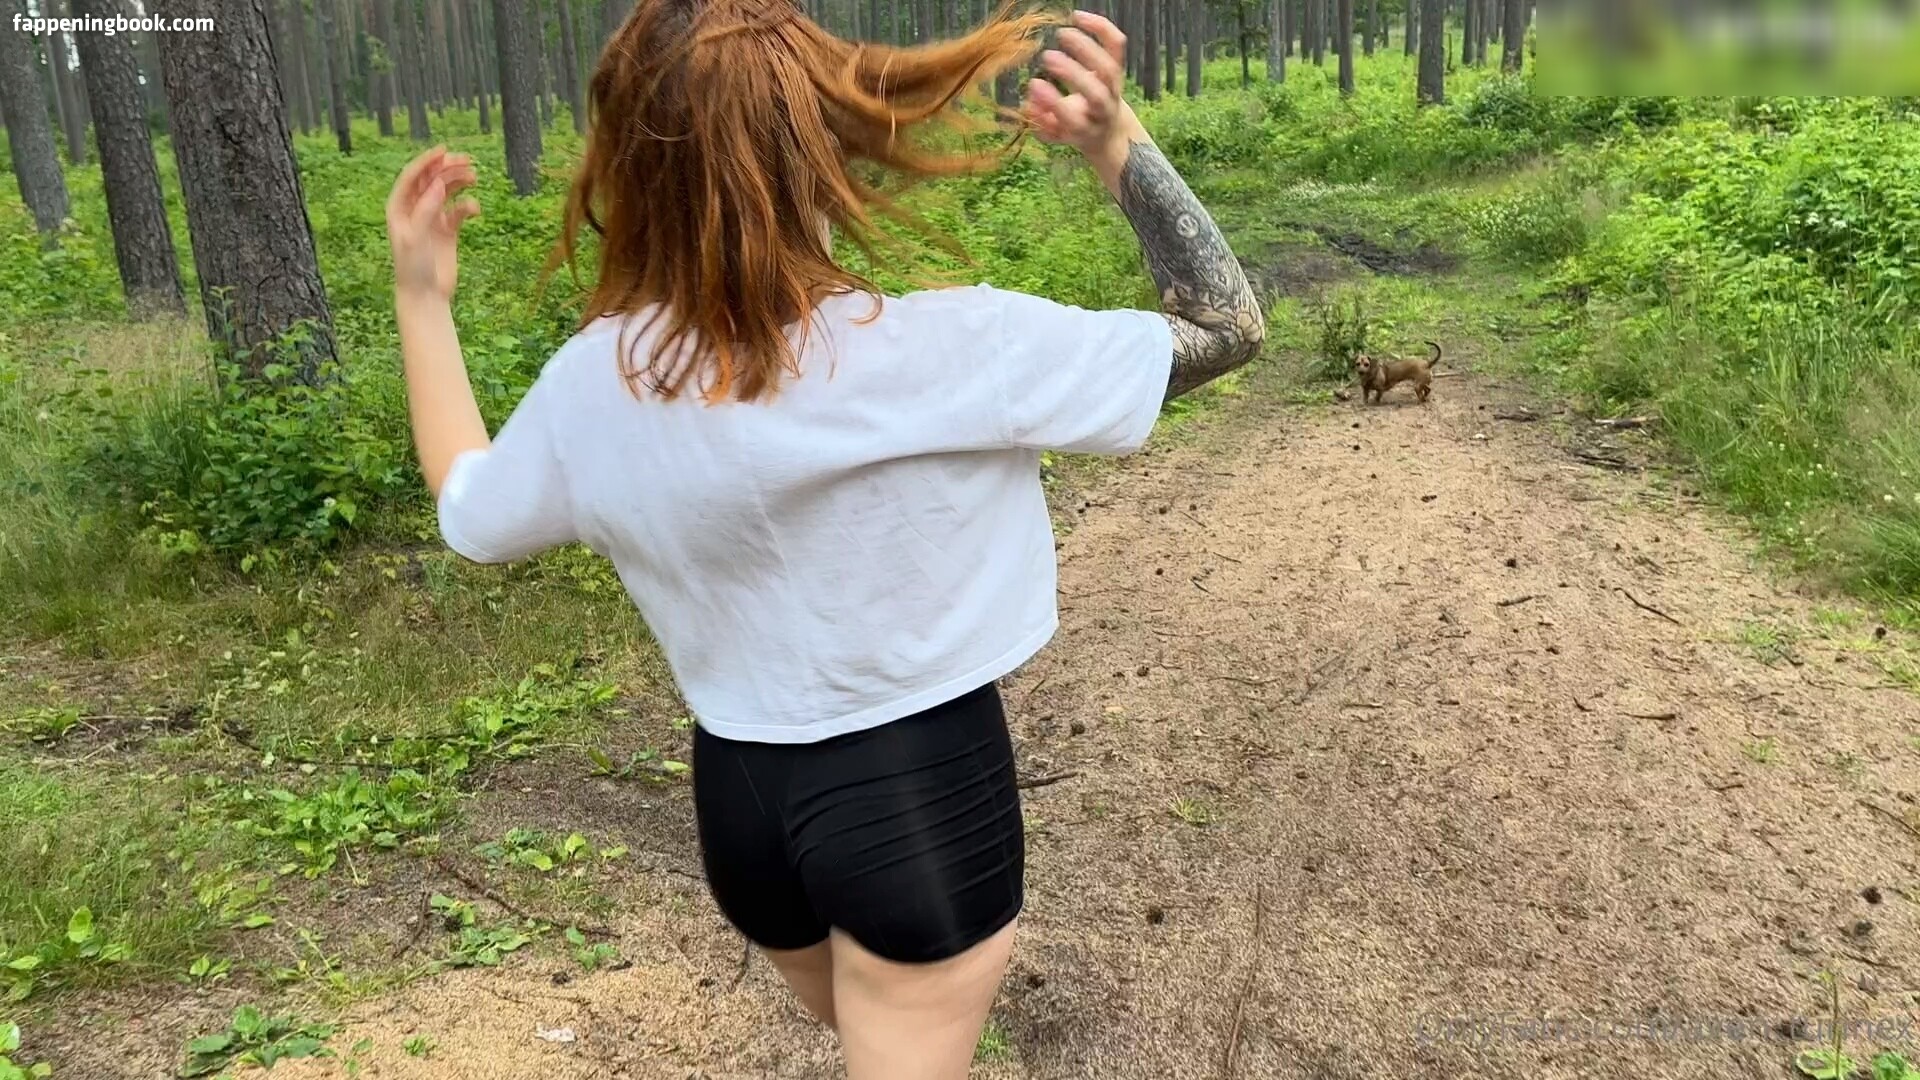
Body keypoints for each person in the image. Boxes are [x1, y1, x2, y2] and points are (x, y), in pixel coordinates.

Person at [383, 3, 1264, 1076]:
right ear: (823, 147)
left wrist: (421, 298)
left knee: (877, 1037)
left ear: (628, 167)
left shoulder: (596, 387)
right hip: (920, 806)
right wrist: (1115, 141)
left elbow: (469, 510)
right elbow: (1228, 325)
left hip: (738, 805)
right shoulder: (954, 347)